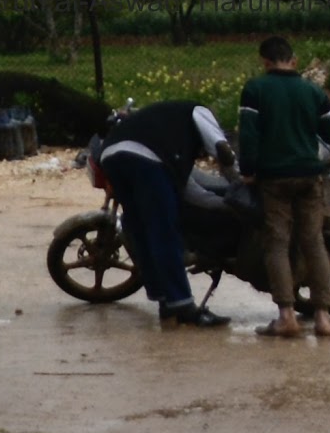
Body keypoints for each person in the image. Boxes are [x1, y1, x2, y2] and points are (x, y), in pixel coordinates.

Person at [234, 35, 330, 339]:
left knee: (277, 243)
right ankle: (323, 318)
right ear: (293, 61)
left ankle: (287, 317)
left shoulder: (255, 89)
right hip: (310, 177)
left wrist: (248, 171)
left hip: (273, 179)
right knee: (313, 241)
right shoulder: (313, 91)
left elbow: (248, 135)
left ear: (265, 62)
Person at [83, 96, 231, 328]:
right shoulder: (199, 110)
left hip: (111, 155)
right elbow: (221, 149)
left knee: (141, 230)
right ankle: (182, 305)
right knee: (164, 231)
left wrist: (224, 204)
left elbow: (191, 192)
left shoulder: (168, 135)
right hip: (145, 159)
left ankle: (165, 300)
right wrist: (239, 183)